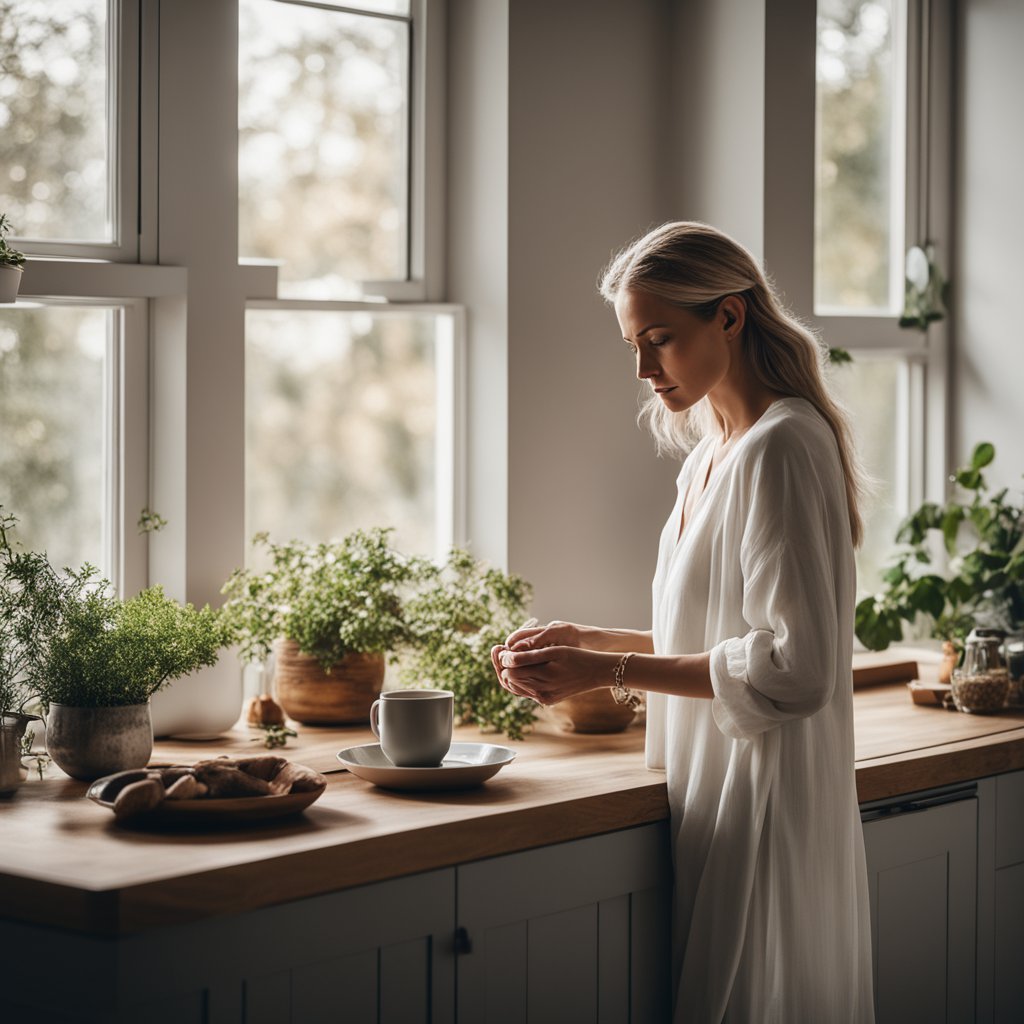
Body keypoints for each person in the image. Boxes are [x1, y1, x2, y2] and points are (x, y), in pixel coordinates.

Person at [491, 222, 875, 1022]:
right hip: (707, 789)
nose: (642, 368)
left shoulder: (784, 446)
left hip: (767, 793)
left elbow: (797, 670)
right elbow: (718, 634)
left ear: (729, 318)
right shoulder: (711, 455)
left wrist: (605, 674)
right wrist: (588, 641)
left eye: (660, 339)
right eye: (634, 344)